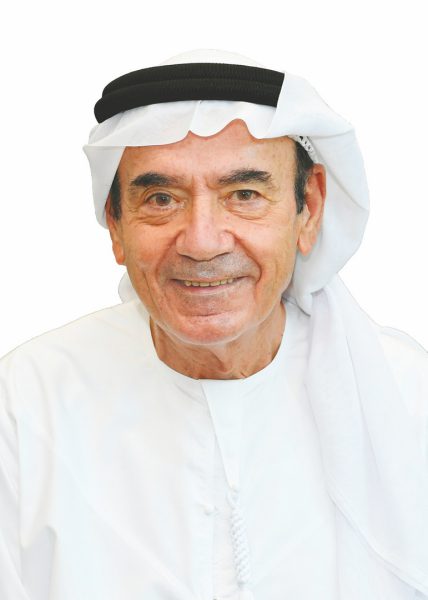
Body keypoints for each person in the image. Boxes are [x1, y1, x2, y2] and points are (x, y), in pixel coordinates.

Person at [1, 48, 427, 600]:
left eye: (244, 195)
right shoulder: (26, 403)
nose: (202, 242)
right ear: (116, 225)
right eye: (161, 199)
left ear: (309, 208)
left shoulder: (409, 396)